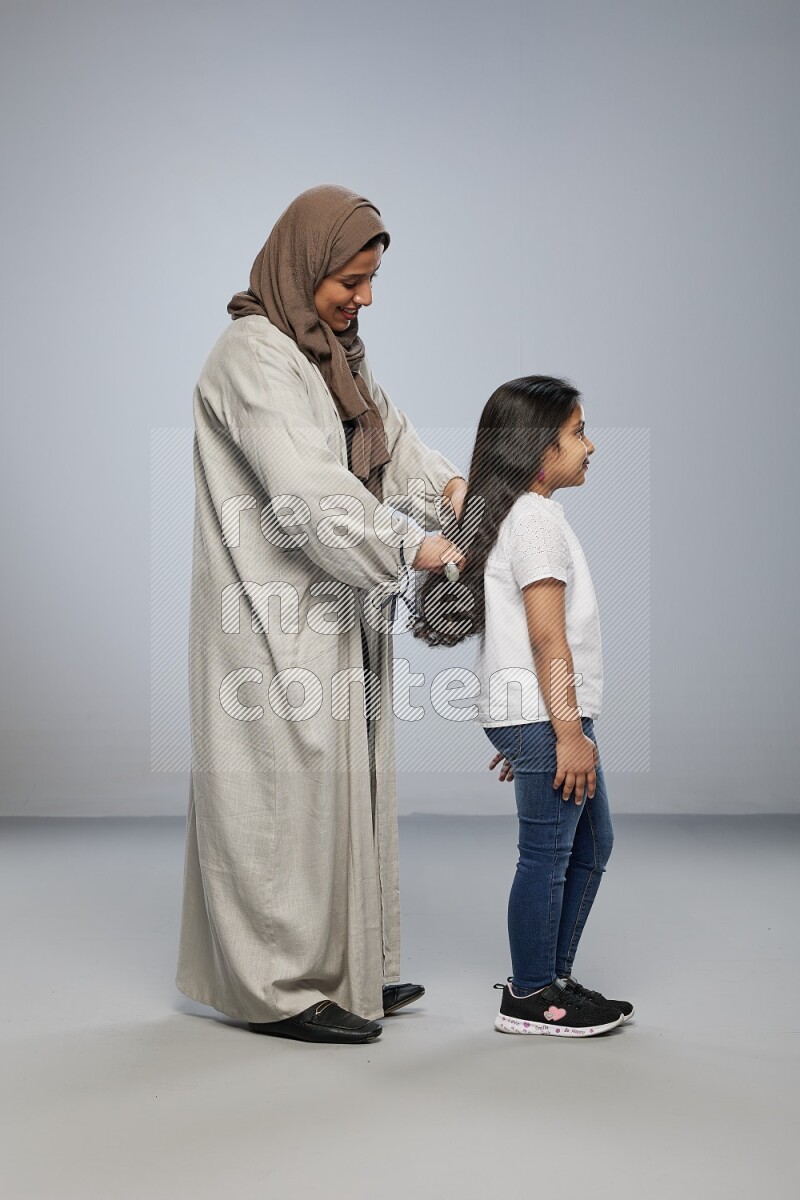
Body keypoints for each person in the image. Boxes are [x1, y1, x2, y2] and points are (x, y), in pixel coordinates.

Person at [176, 185, 467, 1044]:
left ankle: (351, 969)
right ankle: (275, 987)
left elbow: (391, 439)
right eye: (352, 279)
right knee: (279, 797)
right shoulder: (252, 356)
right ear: (305, 266)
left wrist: (452, 491)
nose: (363, 299)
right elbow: (304, 495)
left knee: (346, 786)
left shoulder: (330, 351)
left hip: (335, 608)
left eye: (373, 282)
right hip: (270, 618)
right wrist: (416, 548)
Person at [412, 376, 634, 1037]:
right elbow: (546, 636)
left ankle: (552, 981)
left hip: (536, 716)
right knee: (549, 850)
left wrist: (535, 736)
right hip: (546, 714)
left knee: (592, 841)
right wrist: (563, 733)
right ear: (540, 450)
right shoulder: (534, 521)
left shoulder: (531, 516)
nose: (590, 445)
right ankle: (532, 994)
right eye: (577, 432)